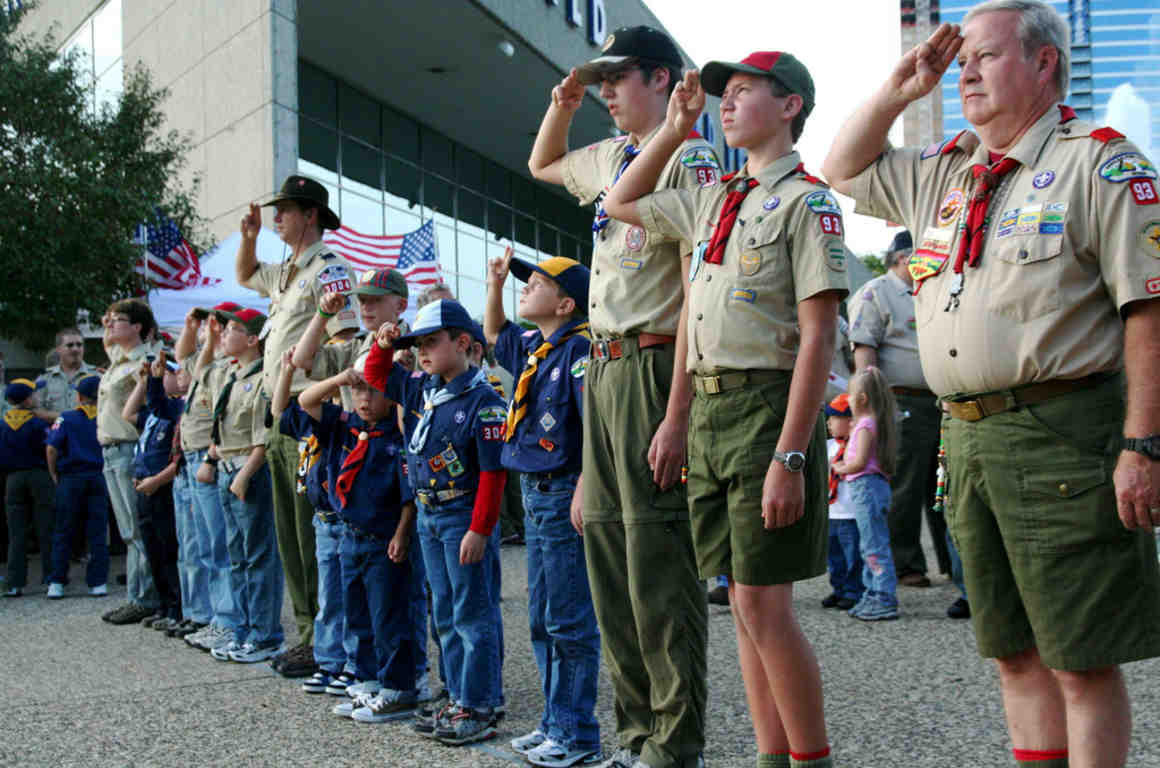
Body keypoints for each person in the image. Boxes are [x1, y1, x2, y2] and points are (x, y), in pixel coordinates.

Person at [821, 2, 1160, 764]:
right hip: (968, 437)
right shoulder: (948, 170)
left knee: (1080, 657)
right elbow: (841, 168)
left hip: (1065, 434)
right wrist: (900, 90)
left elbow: (1149, 310)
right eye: (958, 57)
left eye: (985, 55)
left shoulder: (1099, 162)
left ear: (1044, 64)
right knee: (1012, 651)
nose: (964, 70)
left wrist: (1143, 443)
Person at [603, 49, 847, 768]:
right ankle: (774, 756)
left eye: (743, 93)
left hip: (767, 411)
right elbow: (619, 202)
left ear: (791, 105)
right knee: (742, 607)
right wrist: (674, 132)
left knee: (767, 608)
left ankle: (810, 759)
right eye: (724, 96)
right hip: (710, 413)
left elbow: (819, 339)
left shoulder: (809, 202)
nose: (727, 104)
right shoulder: (716, 198)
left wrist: (792, 456)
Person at [528, 25, 721, 768]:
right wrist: (563, 103)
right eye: (601, 79)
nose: (607, 90)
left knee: (659, 565)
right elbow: (544, 162)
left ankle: (674, 746)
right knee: (609, 560)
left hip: (654, 363)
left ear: (664, 80)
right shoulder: (613, 156)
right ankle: (636, 737)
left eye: (620, 77)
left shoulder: (691, 159)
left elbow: (695, 296)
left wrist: (677, 416)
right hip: (600, 366)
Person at [363, 300, 507, 747]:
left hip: (462, 514)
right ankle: (458, 695)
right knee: (444, 612)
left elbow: (492, 472)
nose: (422, 353)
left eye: (431, 342)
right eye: (418, 345)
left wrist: (480, 528)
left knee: (472, 612)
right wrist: (384, 346)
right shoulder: (426, 390)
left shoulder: (483, 401)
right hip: (429, 512)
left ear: (463, 343)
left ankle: (481, 704)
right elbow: (377, 377)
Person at [236, 174, 359, 676]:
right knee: (289, 534)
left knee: (312, 537)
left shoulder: (329, 269)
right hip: (279, 415)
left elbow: (346, 339)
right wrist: (248, 237)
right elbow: (246, 276)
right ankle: (308, 629)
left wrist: (304, 367)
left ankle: (322, 637)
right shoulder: (288, 270)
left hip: (307, 415)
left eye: (284, 209)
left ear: (310, 215)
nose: (276, 217)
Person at [484, 250, 602, 767]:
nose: (525, 286)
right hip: (535, 494)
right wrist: (492, 284)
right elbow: (495, 334)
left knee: (569, 619)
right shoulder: (537, 347)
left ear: (568, 302)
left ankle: (577, 733)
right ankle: (554, 722)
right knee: (541, 616)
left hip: (561, 491)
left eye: (538, 282)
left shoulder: (579, 351)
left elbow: (594, 425)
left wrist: (584, 487)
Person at [296, 358, 420, 724]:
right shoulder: (344, 427)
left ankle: (398, 689)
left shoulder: (397, 436)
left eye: (373, 390)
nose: (364, 399)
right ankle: (366, 681)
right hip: (349, 539)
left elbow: (408, 495)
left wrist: (401, 534)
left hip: (384, 541)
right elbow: (306, 400)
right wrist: (339, 378)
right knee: (358, 616)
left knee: (389, 618)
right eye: (358, 390)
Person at [847, 230, 947, 587]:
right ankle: (906, 564)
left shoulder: (931, 289)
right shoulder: (877, 292)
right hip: (900, 400)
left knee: (942, 484)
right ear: (904, 258)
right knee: (903, 484)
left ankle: (952, 561)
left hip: (942, 400)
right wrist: (869, 407)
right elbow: (864, 349)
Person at [272, 350, 357, 697]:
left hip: (343, 519)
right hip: (322, 519)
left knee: (347, 599)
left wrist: (337, 383)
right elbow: (280, 411)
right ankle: (329, 661)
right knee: (328, 599)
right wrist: (286, 372)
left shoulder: (339, 420)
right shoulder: (310, 420)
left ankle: (349, 664)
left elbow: (310, 400)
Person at [207, 308, 285, 664]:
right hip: (227, 467)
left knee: (258, 557)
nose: (224, 335)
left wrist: (243, 475)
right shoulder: (231, 376)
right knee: (237, 558)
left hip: (246, 472)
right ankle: (243, 630)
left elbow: (263, 437)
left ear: (253, 339)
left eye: (232, 330)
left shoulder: (260, 379)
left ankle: (265, 635)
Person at [97, 299, 161, 624]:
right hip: (110, 449)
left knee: (136, 528)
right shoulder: (118, 360)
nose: (111, 324)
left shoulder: (144, 360)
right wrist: (109, 319)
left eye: (119, 320)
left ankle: (145, 598)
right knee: (126, 529)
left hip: (129, 447)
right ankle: (138, 595)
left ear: (137, 327)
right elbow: (108, 337)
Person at [122, 352, 187, 630]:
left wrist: (157, 482)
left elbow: (178, 458)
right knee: (152, 549)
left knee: (168, 549)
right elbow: (127, 413)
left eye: (168, 373)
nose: (163, 377)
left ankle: (176, 607)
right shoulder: (153, 412)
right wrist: (144, 382)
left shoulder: (175, 410)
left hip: (161, 487)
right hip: (144, 486)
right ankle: (163, 605)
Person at [832, 369, 899, 621]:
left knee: (873, 545)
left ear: (861, 398)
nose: (847, 399)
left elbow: (859, 462)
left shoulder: (864, 426)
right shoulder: (874, 422)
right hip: (872, 487)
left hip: (865, 487)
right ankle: (872, 593)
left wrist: (840, 468)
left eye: (850, 395)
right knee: (870, 543)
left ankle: (883, 596)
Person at [45, 374, 109, 599]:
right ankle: (98, 582)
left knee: (64, 529)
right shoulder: (105, 417)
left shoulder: (67, 417)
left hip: (71, 477)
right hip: (98, 476)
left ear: (79, 396)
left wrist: (54, 474)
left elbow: (52, 448)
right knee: (98, 531)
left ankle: (57, 581)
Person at [1, 379, 54, 597]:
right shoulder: (39, 424)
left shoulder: (3, 423)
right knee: (46, 526)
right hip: (39, 476)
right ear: (28, 399)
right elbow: (50, 446)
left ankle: (15, 582)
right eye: (34, 393)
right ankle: (52, 577)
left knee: (16, 531)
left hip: (12, 479)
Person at [821, 393, 862, 611]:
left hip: (851, 512)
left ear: (851, 420)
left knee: (853, 556)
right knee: (834, 557)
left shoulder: (859, 445)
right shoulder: (828, 446)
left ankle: (854, 591)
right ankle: (838, 589)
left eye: (835, 417)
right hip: (832, 512)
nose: (829, 422)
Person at [36, 328, 100, 416]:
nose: (75, 349)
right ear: (58, 349)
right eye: (70, 345)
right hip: (54, 429)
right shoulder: (45, 379)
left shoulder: (97, 376)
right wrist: (69, 420)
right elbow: (36, 411)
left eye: (79, 345)